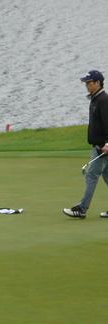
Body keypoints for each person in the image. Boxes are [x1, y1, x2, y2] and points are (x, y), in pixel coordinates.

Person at [63, 70, 108, 218]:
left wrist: (107, 144)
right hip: (100, 146)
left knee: (91, 176)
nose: (87, 85)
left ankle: (81, 209)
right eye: (86, 83)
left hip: (102, 148)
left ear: (98, 83)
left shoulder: (103, 100)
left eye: (89, 83)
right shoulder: (96, 98)